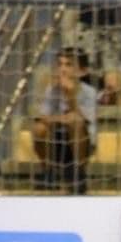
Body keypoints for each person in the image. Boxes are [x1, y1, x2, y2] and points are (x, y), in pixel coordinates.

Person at [32, 47, 99, 194]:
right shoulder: (52, 89)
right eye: (60, 64)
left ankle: (78, 174)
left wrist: (71, 97)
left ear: (82, 71)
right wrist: (62, 119)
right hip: (56, 139)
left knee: (75, 121)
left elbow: (83, 121)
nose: (62, 69)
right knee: (39, 128)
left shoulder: (89, 92)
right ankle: (49, 172)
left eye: (68, 65)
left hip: (81, 143)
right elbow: (43, 117)